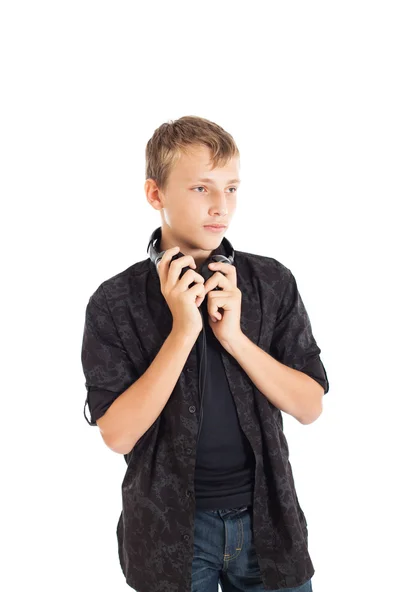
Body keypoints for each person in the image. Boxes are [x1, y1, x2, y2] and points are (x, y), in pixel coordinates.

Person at [81, 115, 329, 592]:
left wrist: (234, 337)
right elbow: (118, 435)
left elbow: (310, 406)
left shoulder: (271, 283)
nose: (222, 207)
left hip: (269, 527)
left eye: (232, 188)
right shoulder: (114, 303)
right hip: (169, 534)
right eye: (201, 188)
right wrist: (183, 331)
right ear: (156, 195)